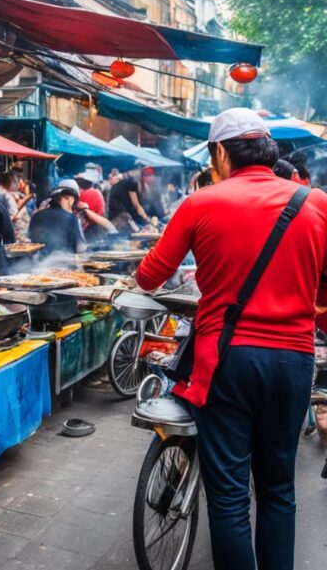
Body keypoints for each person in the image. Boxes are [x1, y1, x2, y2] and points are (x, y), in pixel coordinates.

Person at [136, 108, 327, 570]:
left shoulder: (202, 202)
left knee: (229, 496)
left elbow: (149, 276)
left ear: (221, 152)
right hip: (294, 361)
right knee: (279, 489)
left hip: (227, 361)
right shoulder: (316, 203)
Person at [28, 181, 87, 256]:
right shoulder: (72, 218)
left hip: (37, 262)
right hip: (63, 263)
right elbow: (81, 247)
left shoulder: (36, 216)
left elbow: (29, 241)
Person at [108, 167, 154, 231]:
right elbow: (137, 206)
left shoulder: (117, 187)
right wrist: (149, 220)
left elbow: (137, 206)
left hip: (117, 222)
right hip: (123, 220)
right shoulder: (129, 182)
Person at [0, 171, 31, 241]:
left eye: (18, 181)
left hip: (17, 232)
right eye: (15, 182)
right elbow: (13, 215)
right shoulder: (8, 196)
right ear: (8, 182)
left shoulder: (13, 195)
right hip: (16, 232)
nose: (18, 184)